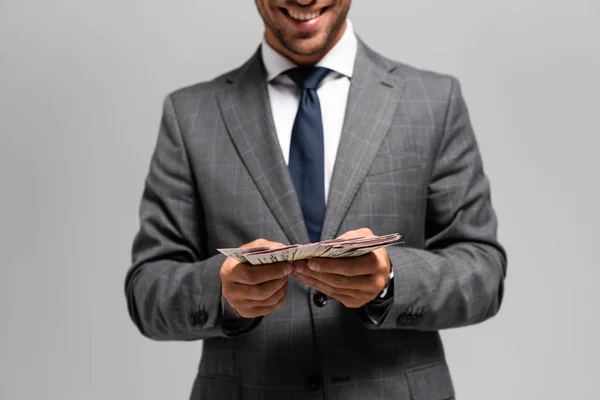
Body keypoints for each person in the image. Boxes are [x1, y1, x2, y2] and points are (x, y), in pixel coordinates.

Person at [124, 0, 507, 398]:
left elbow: (484, 273)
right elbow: (147, 290)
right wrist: (220, 291)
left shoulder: (432, 101)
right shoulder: (191, 115)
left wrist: (392, 281)